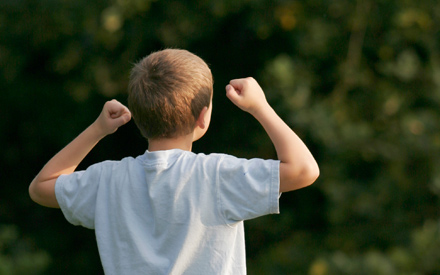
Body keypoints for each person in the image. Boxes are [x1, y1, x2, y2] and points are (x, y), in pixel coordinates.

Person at [29, 49, 319, 274]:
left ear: (139, 119)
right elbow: (304, 169)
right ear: (203, 117)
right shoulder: (216, 176)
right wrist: (260, 107)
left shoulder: (108, 181)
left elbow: (42, 186)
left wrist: (98, 129)